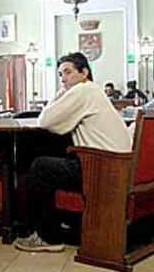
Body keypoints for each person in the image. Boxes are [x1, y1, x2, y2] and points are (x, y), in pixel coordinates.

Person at [15, 52, 132, 252]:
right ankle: (56, 225)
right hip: (116, 166)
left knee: (39, 167)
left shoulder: (83, 91)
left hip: (100, 168)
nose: (63, 79)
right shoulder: (93, 91)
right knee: (53, 159)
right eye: (60, 74)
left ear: (84, 72)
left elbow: (45, 121)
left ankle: (48, 237)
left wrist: (58, 95)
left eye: (68, 72)